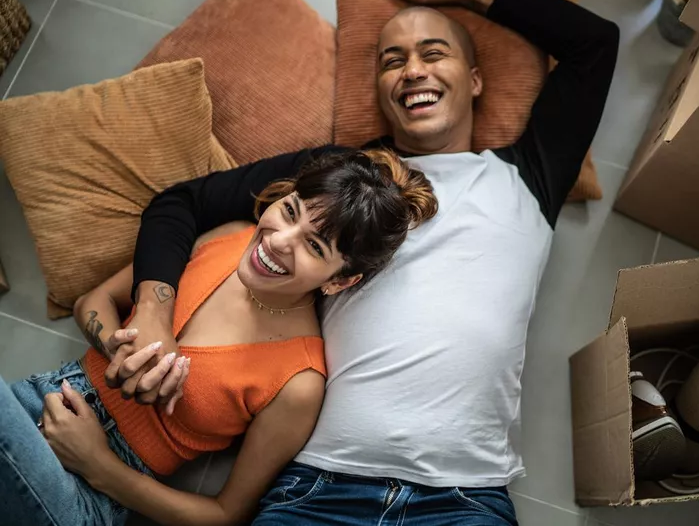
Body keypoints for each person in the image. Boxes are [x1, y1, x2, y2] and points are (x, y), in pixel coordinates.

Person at [53, 0, 619, 525]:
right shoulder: (339, 180)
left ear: (474, 80)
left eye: (433, 53)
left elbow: (595, 46)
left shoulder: (527, 175)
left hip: (463, 497)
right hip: (318, 488)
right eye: (391, 61)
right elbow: (181, 204)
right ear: (379, 90)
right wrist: (152, 311)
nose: (413, 70)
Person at [0, 150, 437, 526]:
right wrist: (117, 346)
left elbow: (226, 515)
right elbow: (92, 301)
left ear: (339, 282)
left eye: (315, 247)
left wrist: (97, 465)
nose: (279, 242)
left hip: (87, 493)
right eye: (289, 211)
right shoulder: (228, 238)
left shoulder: (299, 382)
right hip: (32, 402)